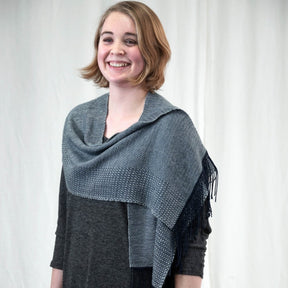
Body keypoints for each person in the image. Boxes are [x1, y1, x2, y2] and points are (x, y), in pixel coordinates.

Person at [50, 1, 218, 288]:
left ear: (151, 51)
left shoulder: (171, 130)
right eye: (108, 39)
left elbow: (192, 241)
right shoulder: (77, 124)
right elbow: (65, 227)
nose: (116, 50)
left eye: (131, 41)